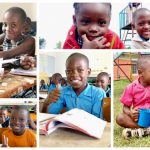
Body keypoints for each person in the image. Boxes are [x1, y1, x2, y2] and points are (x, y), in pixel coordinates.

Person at [46, 53, 106, 118]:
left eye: (80, 70)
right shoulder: (63, 92)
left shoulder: (97, 93)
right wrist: (46, 102)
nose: (74, 74)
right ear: (66, 73)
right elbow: (50, 114)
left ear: (88, 72)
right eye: (69, 71)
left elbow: (98, 121)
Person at [116, 55, 150, 139]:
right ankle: (144, 129)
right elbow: (125, 108)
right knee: (120, 118)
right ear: (140, 72)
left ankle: (140, 131)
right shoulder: (131, 88)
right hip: (138, 119)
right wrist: (131, 113)